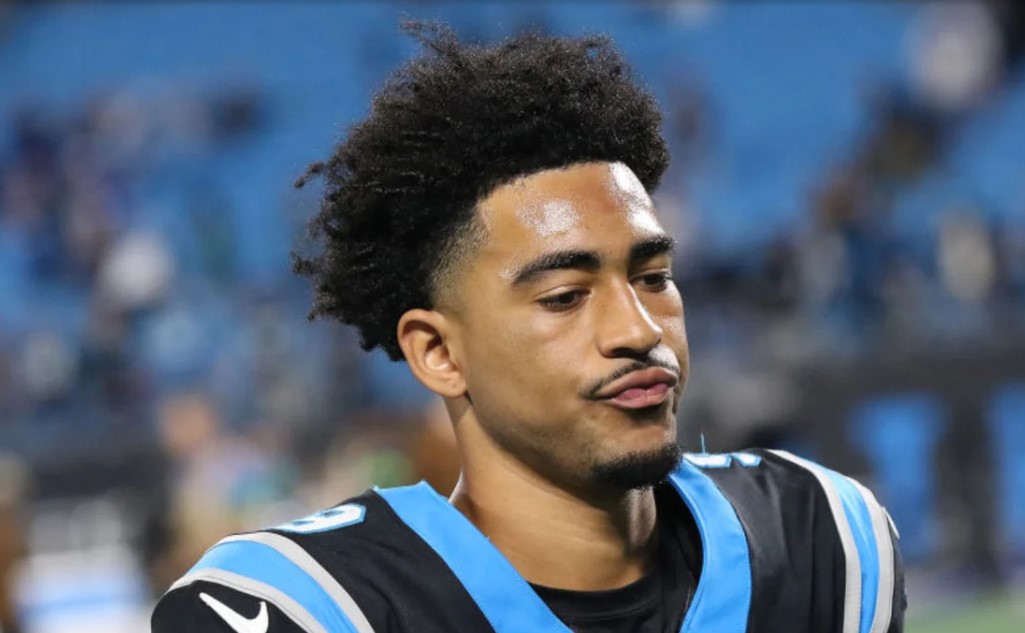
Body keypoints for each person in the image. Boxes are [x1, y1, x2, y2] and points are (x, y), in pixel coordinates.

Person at [151, 22, 905, 633]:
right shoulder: (303, 610)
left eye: (652, 277)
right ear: (439, 351)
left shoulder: (823, 544)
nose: (638, 328)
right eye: (565, 295)